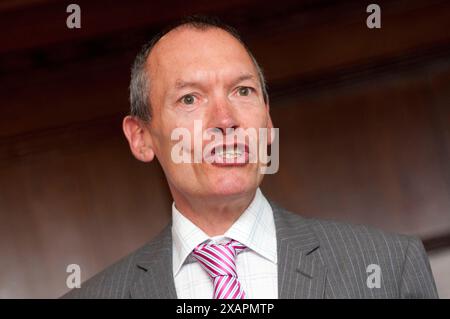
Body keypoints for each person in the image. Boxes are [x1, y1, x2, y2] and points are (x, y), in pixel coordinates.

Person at [63, 16, 438, 299]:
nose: (225, 120)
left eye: (243, 91)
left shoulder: (388, 269)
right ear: (142, 138)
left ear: (267, 115)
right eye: (190, 99)